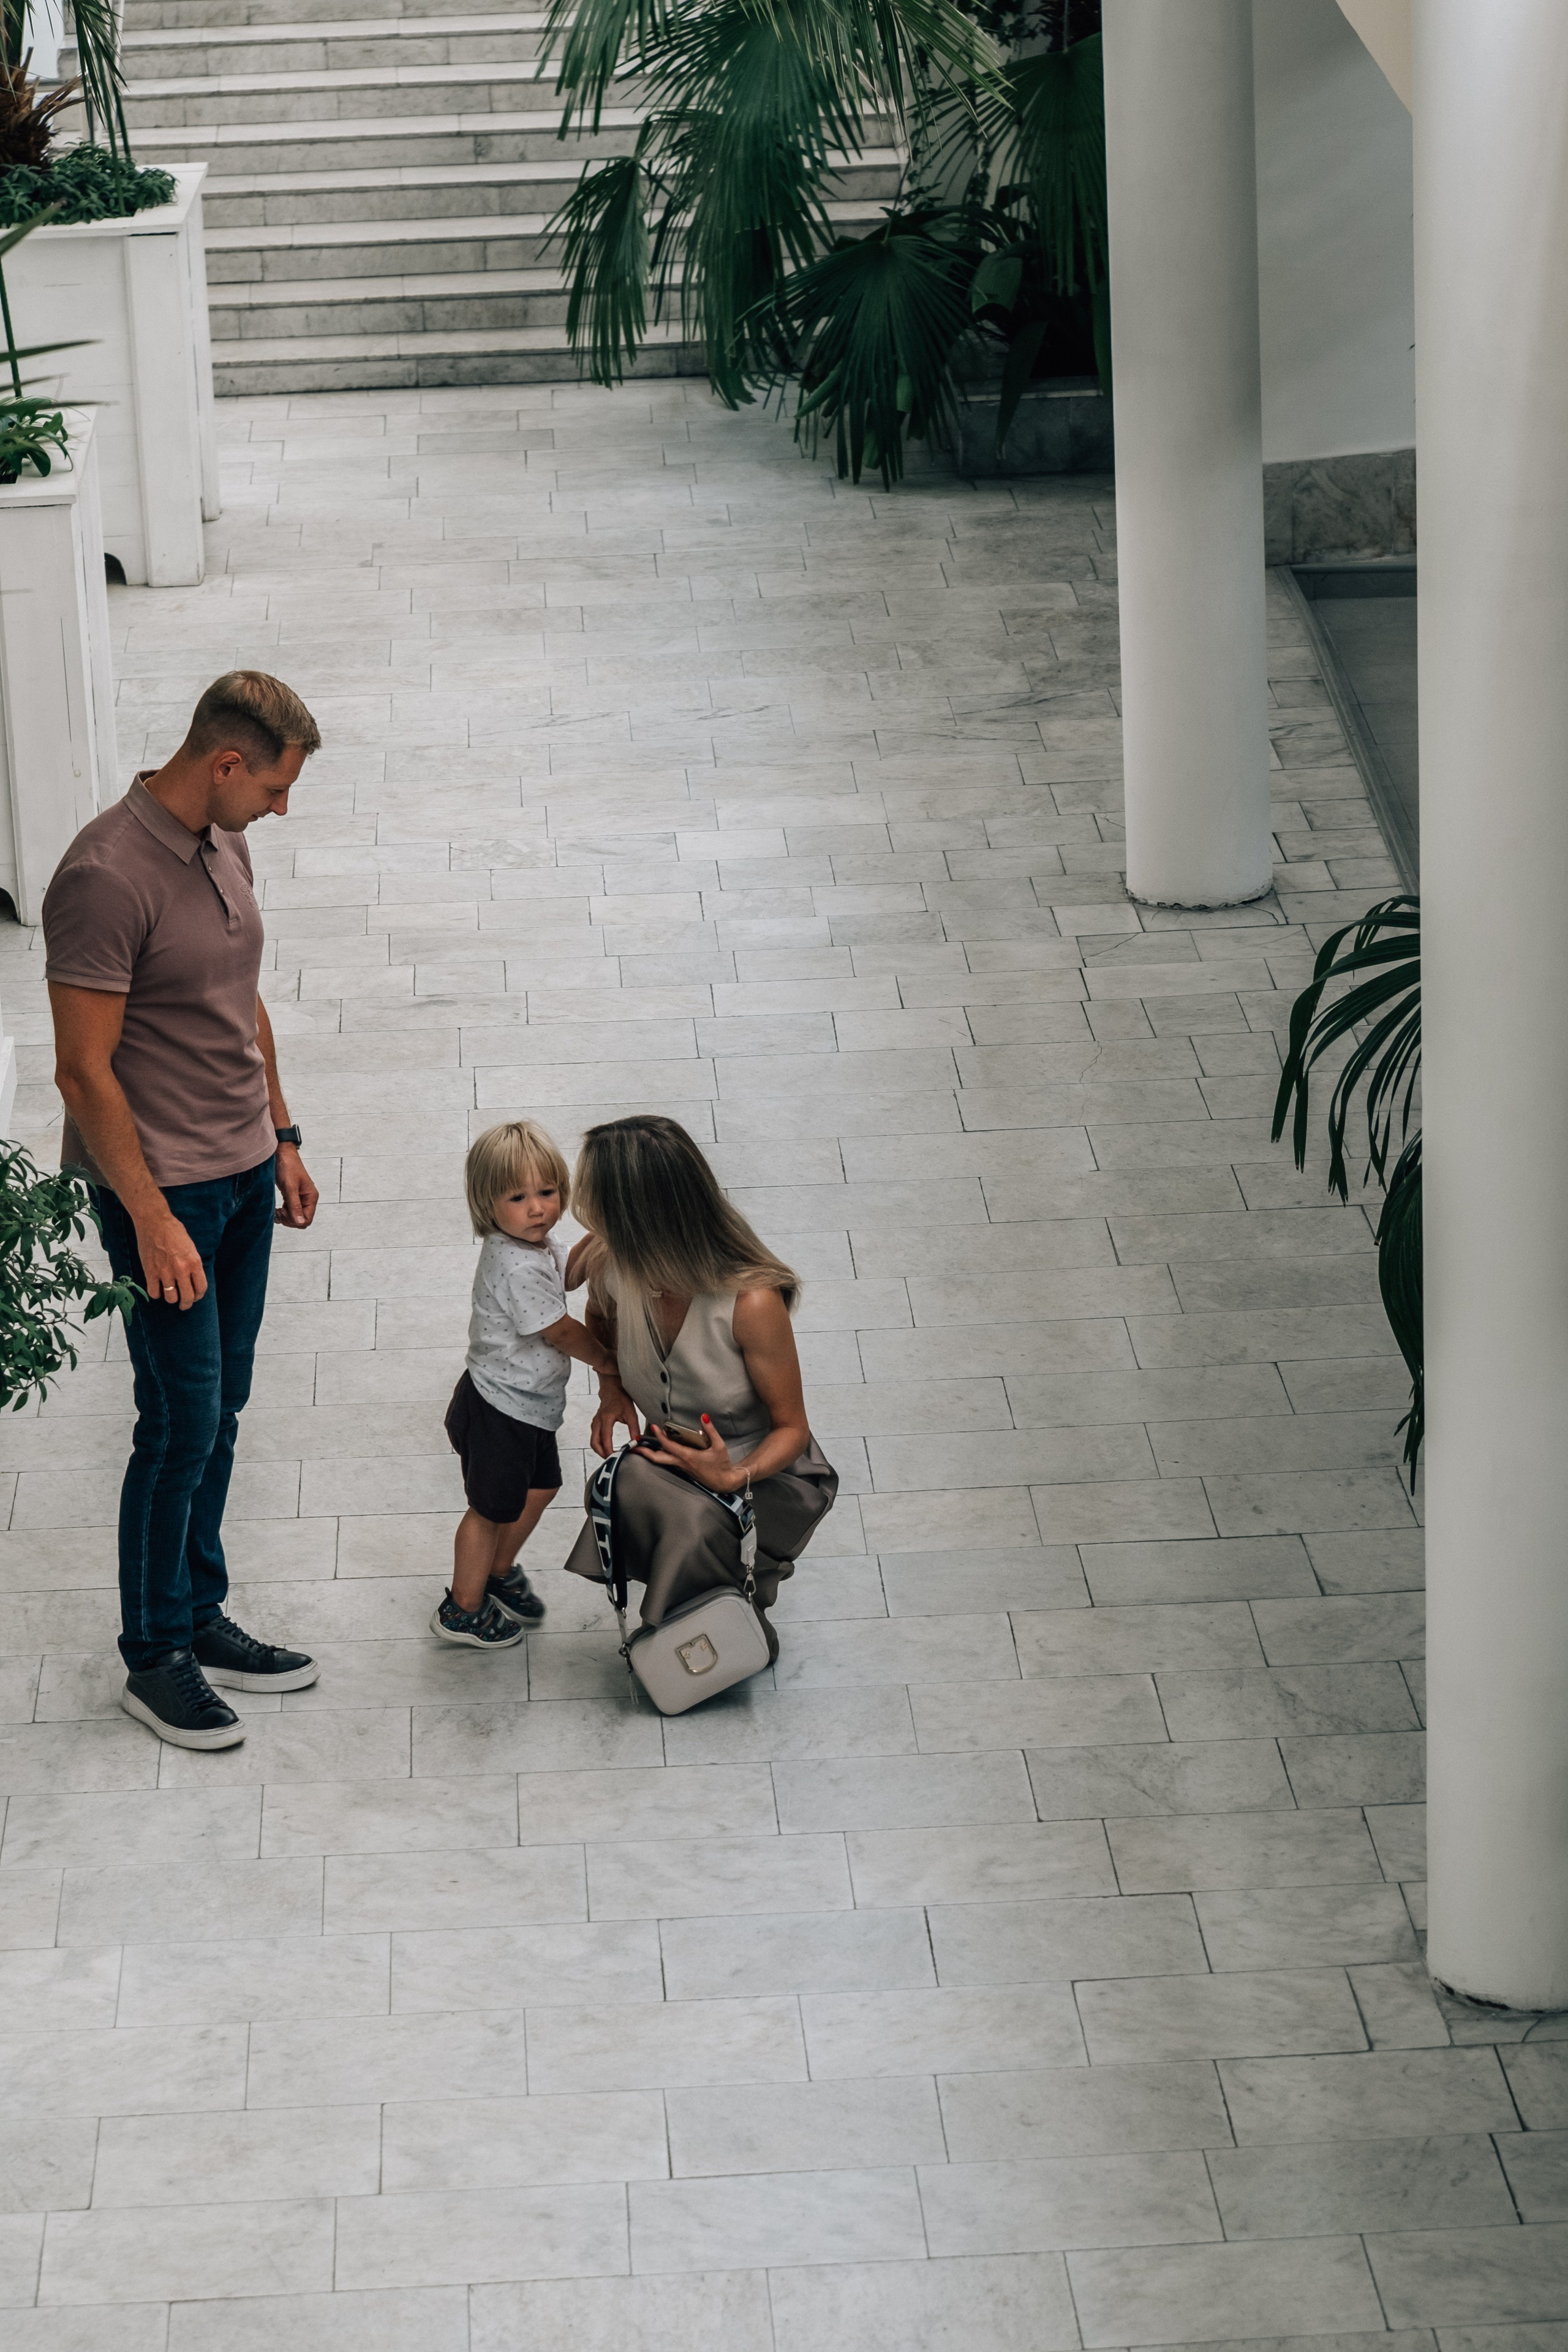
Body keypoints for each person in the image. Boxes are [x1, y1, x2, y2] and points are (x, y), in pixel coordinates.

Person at [43, 672, 325, 1752]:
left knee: (226, 1404)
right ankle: (153, 1654)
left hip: (244, 1173)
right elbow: (83, 1073)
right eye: (275, 788)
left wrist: (283, 1135)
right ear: (224, 763)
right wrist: (151, 1218)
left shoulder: (222, 840)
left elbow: (237, 997)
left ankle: (201, 1613)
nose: (279, 810)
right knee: (179, 1423)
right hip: (165, 1193)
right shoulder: (103, 877)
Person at [562, 1116, 837, 1651]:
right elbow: (596, 1312)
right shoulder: (616, 1261)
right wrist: (612, 1387)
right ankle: (702, 1615)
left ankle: (719, 1624)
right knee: (622, 1483)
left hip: (765, 1471)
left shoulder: (752, 1302)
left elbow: (792, 1429)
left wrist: (735, 1475)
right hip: (676, 1455)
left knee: (691, 1520)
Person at [434, 1119, 614, 1649]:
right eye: (518, 1197)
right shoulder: (514, 1264)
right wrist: (608, 1362)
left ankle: (498, 1568)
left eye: (548, 1191)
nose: (538, 1208)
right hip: (499, 1408)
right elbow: (559, 1330)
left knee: (540, 1487)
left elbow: (569, 1271)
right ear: (487, 1205)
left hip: (527, 1406)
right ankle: (463, 1608)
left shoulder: (535, 1245)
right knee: (489, 1510)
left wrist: (608, 1237)